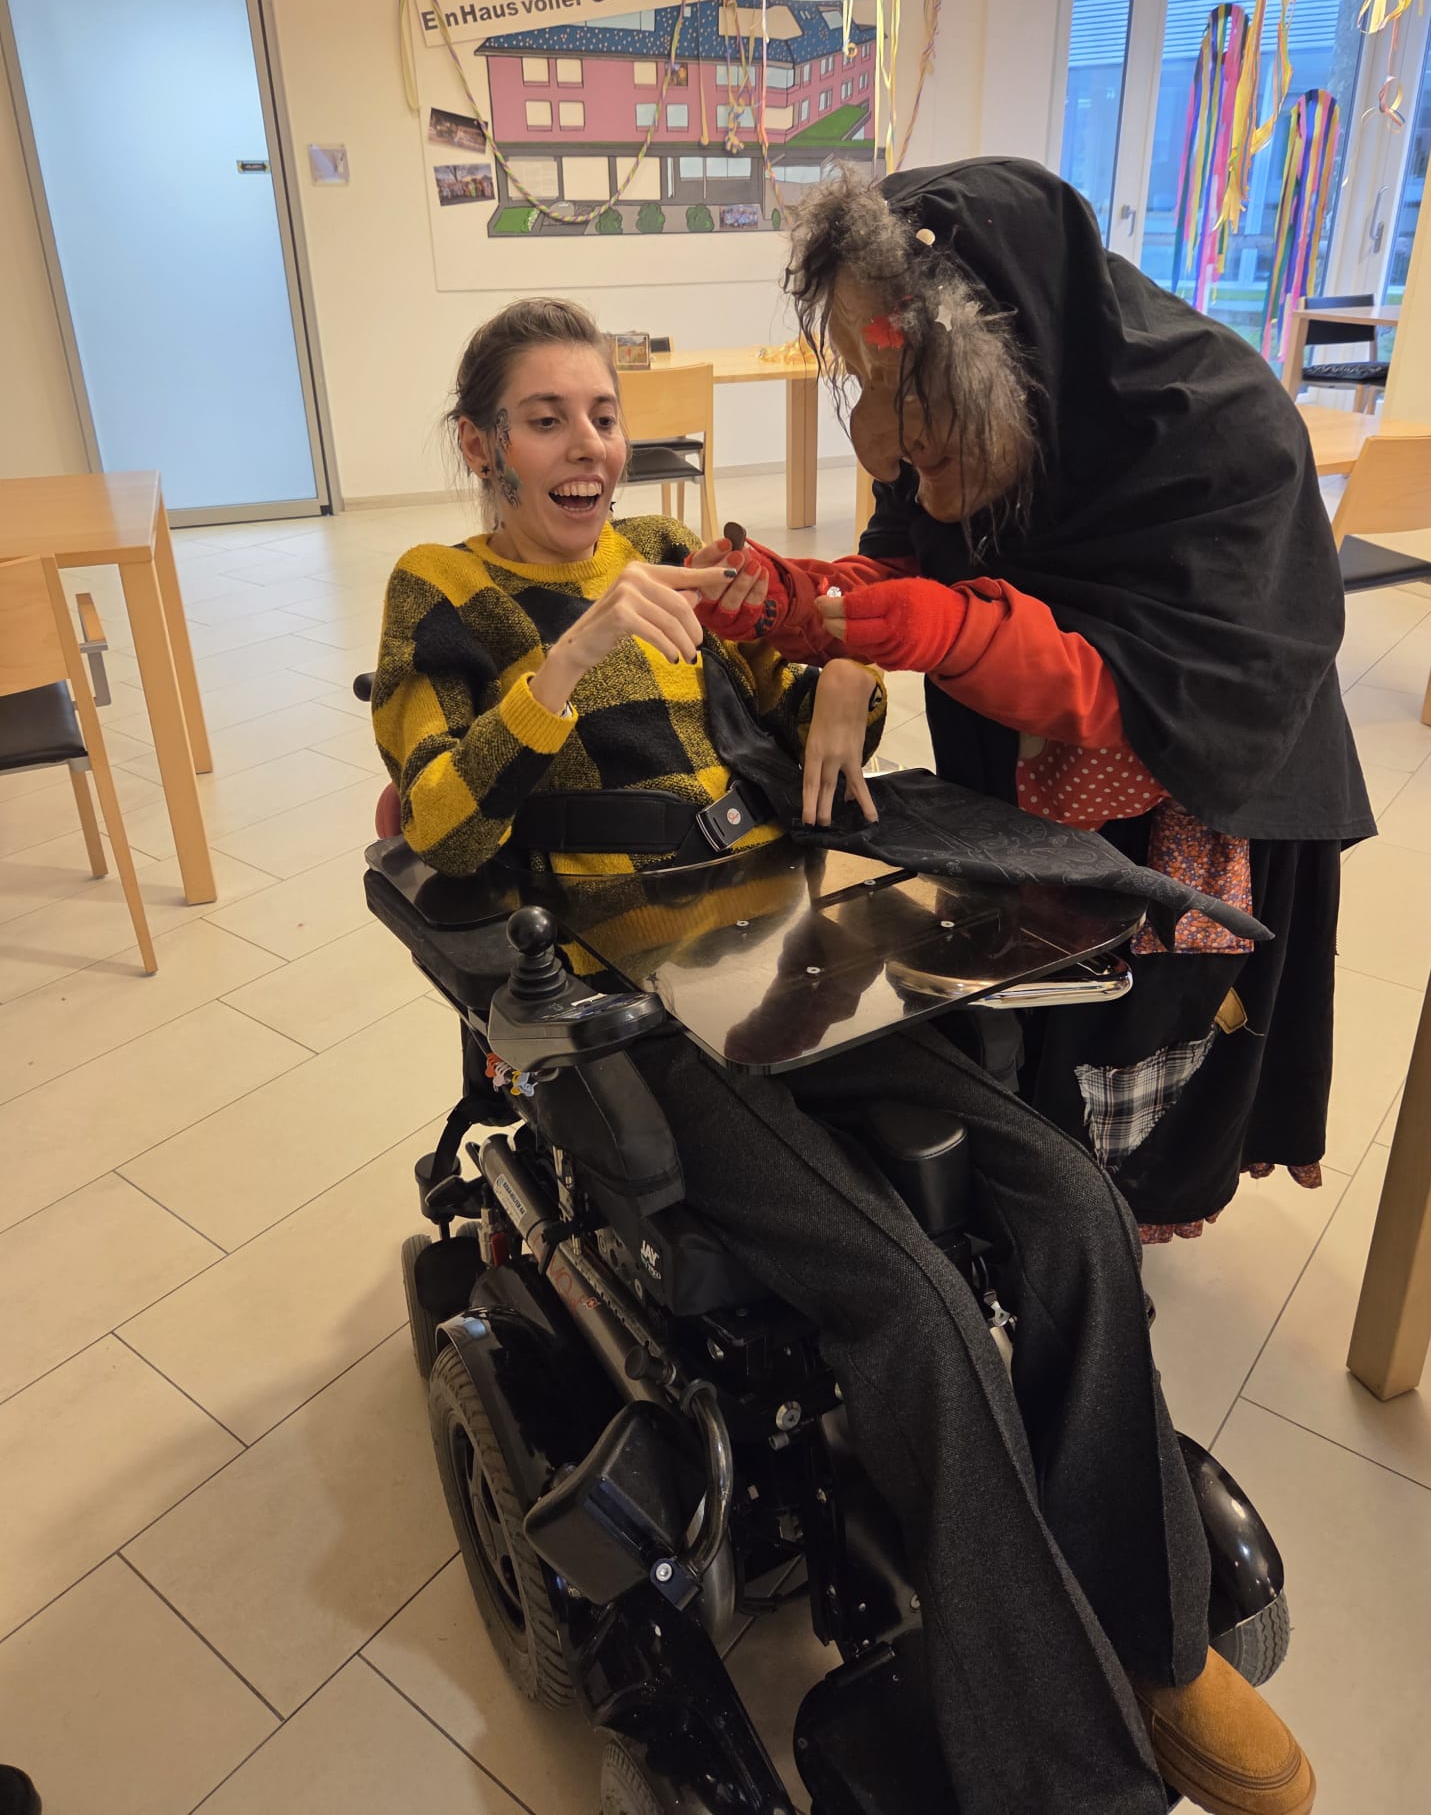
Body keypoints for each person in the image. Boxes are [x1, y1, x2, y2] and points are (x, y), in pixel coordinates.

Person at [372, 295, 1315, 1815]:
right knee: (913, 1300)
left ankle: (1154, 1637)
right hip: (639, 985)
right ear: (483, 445)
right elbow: (440, 823)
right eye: (546, 419)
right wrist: (577, 653)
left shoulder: (673, 550)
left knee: (1072, 1204)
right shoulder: (444, 590)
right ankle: (1062, 1775)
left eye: (602, 414)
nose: (588, 445)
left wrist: (840, 676)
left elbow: (798, 705)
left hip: (789, 933)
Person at [690, 158, 1373, 1242]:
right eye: (862, 381)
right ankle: (1046, 1193)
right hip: (1036, 768)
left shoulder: (1222, 430)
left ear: (1002, 349)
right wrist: (793, 600)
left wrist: (940, 627)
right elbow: (902, 560)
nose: (881, 442)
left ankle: (1120, 1213)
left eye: (899, 388)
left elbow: (1143, 689)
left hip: (1197, 780)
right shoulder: (956, 408)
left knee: (1148, 1010)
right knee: (1034, 989)